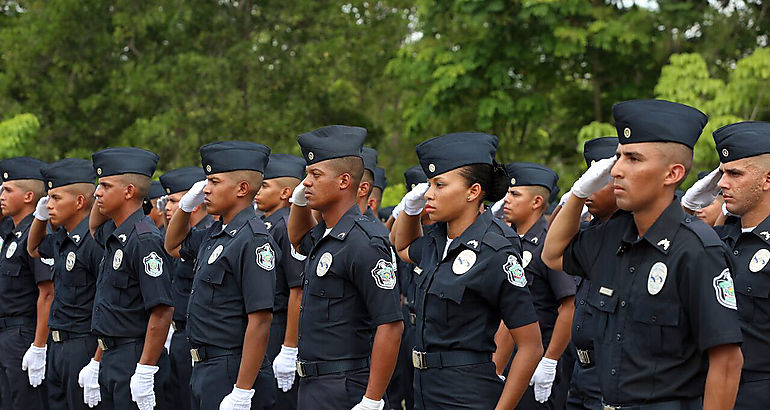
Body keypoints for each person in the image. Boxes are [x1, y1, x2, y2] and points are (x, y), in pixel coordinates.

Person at [542, 99, 744, 409]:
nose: (617, 171)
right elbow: (553, 255)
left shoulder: (696, 249)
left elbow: (727, 362)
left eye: (633, 159)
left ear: (671, 174)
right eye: (618, 158)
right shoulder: (612, 236)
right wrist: (578, 196)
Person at [392, 131, 543, 409]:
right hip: (425, 389)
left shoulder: (495, 250)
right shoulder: (437, 239)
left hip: (466, 393)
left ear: (473, 192)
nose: (430, 194)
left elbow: (530, 345)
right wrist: (411, 208)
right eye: (429, 185)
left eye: (439, 185)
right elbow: (401, 247)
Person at [287, 125, 403, 410]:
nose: (307, 183)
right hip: (314, 386)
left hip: (347, 387)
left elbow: (390, 325)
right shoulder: (327, 233)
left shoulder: (364, 242)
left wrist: (372, 400)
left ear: (343, 181)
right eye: (306, 175)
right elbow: (298, 238)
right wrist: (299, 200)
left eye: (315, 175)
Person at [164, 141, 277, 410]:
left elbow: (260, 320)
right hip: (205, 367)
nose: (206, 189)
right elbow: (172, 246)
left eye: (214, 181)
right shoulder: (215, 234)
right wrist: (185, 207)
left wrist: (242, 390)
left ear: (241, 188)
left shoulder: (253, 239)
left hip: (232, 367)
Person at [681, 121, 770, 409]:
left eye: (734, 173)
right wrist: (686, 207)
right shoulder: (719, 236)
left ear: (767, 180)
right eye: (722, 173)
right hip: (705, 389)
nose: (721, 183)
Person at [87, 147, 174, 410]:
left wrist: (146, 369)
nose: (96, 193)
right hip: (112, 356)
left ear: (128, 192)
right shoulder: (117, 234)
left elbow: (161, 310)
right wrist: (97, 361)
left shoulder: (144, 239)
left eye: (105, 185)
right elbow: (93, 227)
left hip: (134, 357)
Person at [499, 162, 576, 410]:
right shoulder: (508, 242)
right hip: (510, 356)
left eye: (515, 194)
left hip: (539, 359)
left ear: (537, 202)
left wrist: (550, 360)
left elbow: (569, 304)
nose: (506, 200)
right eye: (507, 193)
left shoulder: (547, 244)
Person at [26, 158, 101, 410]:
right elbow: (34, 248)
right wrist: (39, 216)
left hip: (83, 343)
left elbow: (106, 302)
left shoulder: (93, 242)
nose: (50, 206)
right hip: (58, 346)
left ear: (79, 202)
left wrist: (97, 359)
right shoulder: (62, 238)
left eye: (56, 198)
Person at [566, 137, 619, 410]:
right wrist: (575, 198)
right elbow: (551, 254)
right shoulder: (587, 234)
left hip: (613, 376)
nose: (590, 190)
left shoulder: (632, 236)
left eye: (599, 180)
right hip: (581, 372)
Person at [158, 166, 213, 410]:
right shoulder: (182, 236)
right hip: (178, 336)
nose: (168, 208)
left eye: (174, 201)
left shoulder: (211, 234)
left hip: (205, 340)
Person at [254, 153, 306, 410]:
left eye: (265, 186)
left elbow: (297, 290)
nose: (257, 191)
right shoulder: (266, 225)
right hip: (263, 328)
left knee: (278, 400)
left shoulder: (286, 226)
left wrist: (289, 347)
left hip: (279, 326)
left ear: (286, 192)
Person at [0, 157, 52, 410]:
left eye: (8, 190)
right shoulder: (12, 233)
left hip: (23, 334)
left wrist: (38, 345)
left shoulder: (38, 232)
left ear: (29, 196)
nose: (2, 195)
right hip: (6, 334)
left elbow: (47, 293)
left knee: (25, 403)